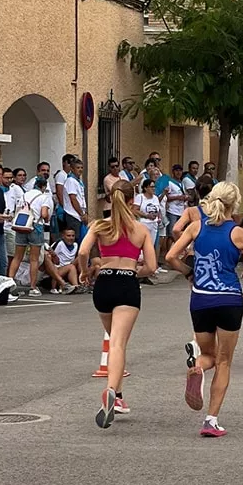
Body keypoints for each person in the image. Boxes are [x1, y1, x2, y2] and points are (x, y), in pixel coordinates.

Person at [166, 182, 243, 438]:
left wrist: (190, 272)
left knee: (208, 354)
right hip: (229, 299)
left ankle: (197, 367)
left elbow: (170, 257)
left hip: (201, 299)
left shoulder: (196, 227)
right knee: (224, 361)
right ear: (235, 203)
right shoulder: (239, 233)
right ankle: (211, 420)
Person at [78, 180, 157, 427]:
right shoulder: (140, 229)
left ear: (110, 199)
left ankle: (119, 397)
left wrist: (85, 271)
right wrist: (134, 271)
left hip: (104, 284)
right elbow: (152, 267)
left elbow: (82, 252)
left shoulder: (99, 225)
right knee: (119, 345)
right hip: (126, 285)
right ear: (133, 200)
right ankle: (111, 389)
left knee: (114, 343)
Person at [7, 176, 53, 296]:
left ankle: (9, 283)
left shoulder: (24, 195)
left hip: (21, 226)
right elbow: (44, 214)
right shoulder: (44, 197)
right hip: (35, 227)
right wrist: (47, 218)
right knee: (34, 259)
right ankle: (33, 287)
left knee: (17, 257)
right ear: (43, 187)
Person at [62, 158, 87, 240]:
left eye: (81, 167)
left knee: (81, 238)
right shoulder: (71, 181)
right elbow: (73, 199)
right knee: (75, 239)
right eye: (78, 168)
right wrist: (81, 214)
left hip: (79, 215)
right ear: (72, 169)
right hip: (73, 215)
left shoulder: (78, 181)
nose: (80, 170)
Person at [134, 178, 162, 250]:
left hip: (154, 224)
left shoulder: (155, 198)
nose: (154, 188)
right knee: (141, 244)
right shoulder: (140, 197)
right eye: (151, 187)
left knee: (150, 246)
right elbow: (134, 210)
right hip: (143, 224)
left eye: (154, 187)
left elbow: (158, 210)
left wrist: (159, 218)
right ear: (146, 188)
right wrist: (146, 215)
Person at [50, 227, 80, 291]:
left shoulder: (76, 245)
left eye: (73, 236)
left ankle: (84, 284)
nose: (71, 238)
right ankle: (76, 286)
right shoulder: (59, 243)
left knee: (80, 259)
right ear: (63, 236)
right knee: (71, 267)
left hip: (70, 271)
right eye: (68, 236)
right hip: (56, 272)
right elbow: (49, 258)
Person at [166, 165, 188, 237]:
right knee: (171, 234)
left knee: (179, 233)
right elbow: (166, 197)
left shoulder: (182, 183)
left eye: (180, 170)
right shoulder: (169, 182)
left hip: (181, 211)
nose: (178, 172)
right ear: (173, 172)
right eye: (176, 170)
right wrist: (178, 197)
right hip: (172, 210)